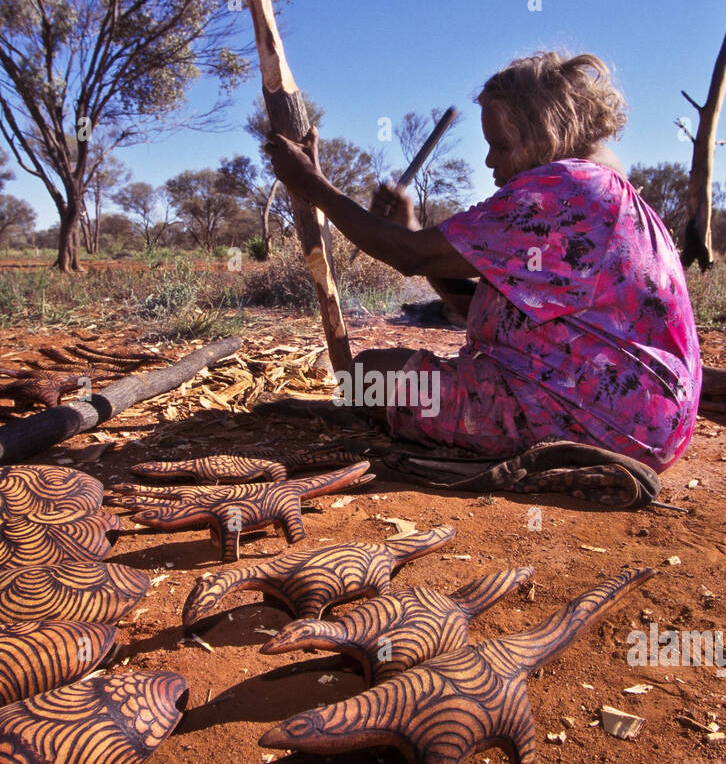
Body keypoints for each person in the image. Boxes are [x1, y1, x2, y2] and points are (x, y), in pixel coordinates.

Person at [262, 51, 701, 473]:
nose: (490, 161)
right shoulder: (602, 192)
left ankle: (379, 416)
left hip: (598, 421)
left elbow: (408, 256)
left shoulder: (562, 189)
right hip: (648, 422)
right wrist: (410, 225)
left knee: (368, 377)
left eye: (501, 146)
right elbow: (476, 305)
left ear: (545, 132)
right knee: (370, 382)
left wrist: (311, 184)